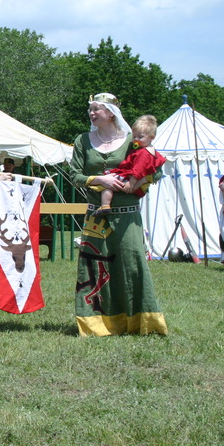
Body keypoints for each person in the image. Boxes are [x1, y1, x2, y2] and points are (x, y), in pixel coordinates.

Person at [68, 93, 168, 336]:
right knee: (95, 267)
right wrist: (99, 179)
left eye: (97, 109)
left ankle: (140, 323)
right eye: (90, 109)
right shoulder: (83, 140)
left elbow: (156, 169)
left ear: (111, 113)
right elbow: (74, 176)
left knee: (132, 265)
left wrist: (136, 183)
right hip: (96, 215)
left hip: (127, 215)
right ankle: (96, 324)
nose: (91, 113)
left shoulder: (132, 140)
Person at [91, 115, 166, 217]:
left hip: (130, 178)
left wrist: (131, 183)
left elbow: (138, 169)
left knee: (107, 184)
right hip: (134, 178)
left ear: (151, 137)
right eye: (134, 136)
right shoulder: (148, 150)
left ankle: (105, 205)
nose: (136, 139)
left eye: (140, 137)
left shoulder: (144, 153)